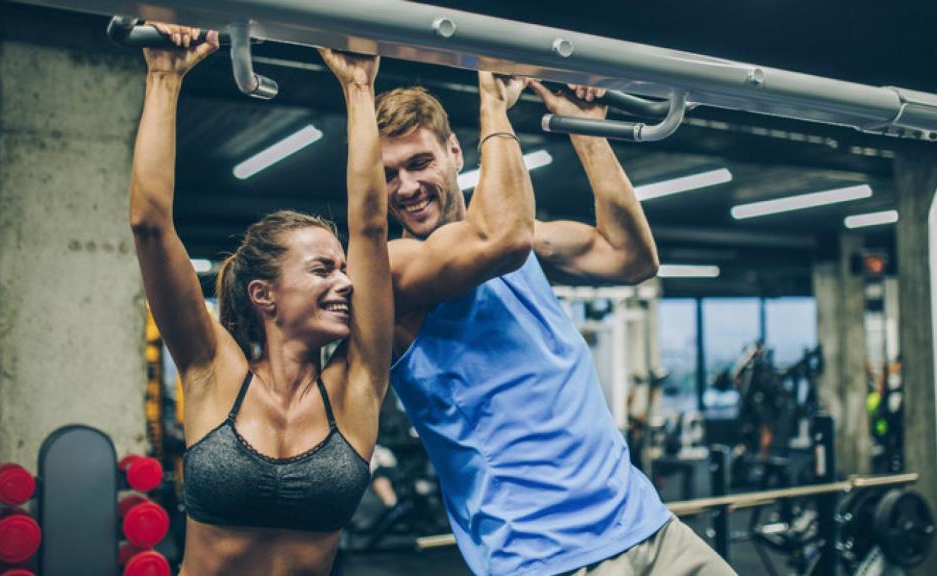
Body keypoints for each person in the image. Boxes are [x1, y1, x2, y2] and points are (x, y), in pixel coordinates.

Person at [377, 80, 736, 575]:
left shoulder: (526, 242)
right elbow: (501, 236)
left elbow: (633, 258)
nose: (406, 187)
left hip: (642, 520)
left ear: (454, 151)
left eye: (419, 163)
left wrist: (584, 126)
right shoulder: (392, 269)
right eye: (388, 175)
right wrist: (494, 100)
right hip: (543, 554)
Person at [128, 24, 392, 575]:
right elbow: (150, 224)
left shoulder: (358, 383)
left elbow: (370, 227)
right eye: (323, 269)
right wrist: (163, 76)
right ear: (263, 294)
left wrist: (359, 89)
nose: (346, 283)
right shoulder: (209, 368)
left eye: (344, 270)